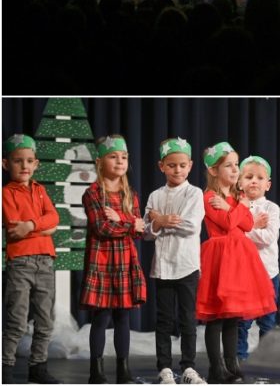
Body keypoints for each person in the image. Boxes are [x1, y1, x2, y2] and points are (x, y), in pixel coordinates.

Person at [196, 143, 277, 383]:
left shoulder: (234, 197)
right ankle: (215, 368)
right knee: (216, 316)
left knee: (233, 316)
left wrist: (235, 207)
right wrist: (239, 208)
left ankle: (232, 364)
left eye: (235, 165)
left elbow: (248, 225)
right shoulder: (209, 197)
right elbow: (229, 223)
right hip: (220, 257)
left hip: (238, 256)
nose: (235, 170)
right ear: (214, 170)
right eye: (229, 165)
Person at [81, 135, 147, 384]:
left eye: (124, 157)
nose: (120, 161)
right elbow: (102, 228)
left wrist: (122, 219)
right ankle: (96, 371)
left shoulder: (130, 194)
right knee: (101, 316)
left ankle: (123, 369)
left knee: (123, 317)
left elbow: (140, 230)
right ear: (100, 162)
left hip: (124, 262)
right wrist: (129, 223)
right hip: (102, 262)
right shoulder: (93, 194)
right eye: (113, 156)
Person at [143, 138, 206, 385]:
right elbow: (146, 233)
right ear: (162, 166)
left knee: (187, 318)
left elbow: (191, 226)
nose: (177, 170)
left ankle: (189, 367)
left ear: (190, 165)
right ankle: (165, 367)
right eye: (171, 165)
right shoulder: (155, 196)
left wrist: (161, 220)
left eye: (182, 165)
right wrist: (157, 223)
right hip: (162, 266)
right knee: (164, 320)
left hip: (187, 265)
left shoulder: (194, 193)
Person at [2, 135, 60, 384]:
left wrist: (31, 225)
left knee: (45, 320)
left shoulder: (40, 190)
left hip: (45, 262)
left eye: (29, 161)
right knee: (16, 320)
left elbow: (54, 218)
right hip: (20, 263)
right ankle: (5, 367)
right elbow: (14, 228)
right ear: (6, 164)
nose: (24, 166)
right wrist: (44, 229)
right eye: (18, 161)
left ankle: (38, 367)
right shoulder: (6, 193)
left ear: (36, 164)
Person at [236, 156, 280, 362]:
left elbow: (268, 237)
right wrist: (254, 225)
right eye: (248, 177)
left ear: (268, 184)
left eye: (260, 178)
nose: (254, 181)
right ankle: (239, 358)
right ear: (239, 182)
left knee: (268, 320)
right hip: (243, 273)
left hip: (268, 272)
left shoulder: (271, 208)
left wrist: (244, 230)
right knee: (242, 320)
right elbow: (232, 235)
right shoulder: (236, 207)